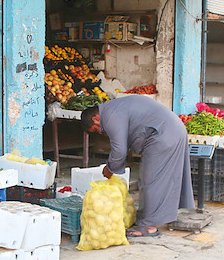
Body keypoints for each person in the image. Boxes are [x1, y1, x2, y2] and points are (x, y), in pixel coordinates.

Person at [81, 95, 194, 237]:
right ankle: (152, 218)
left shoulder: (110, 115)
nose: (100, 131)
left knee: (151, 180)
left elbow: (119, 149)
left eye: (96, 129)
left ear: (95, 118)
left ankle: (149, 226)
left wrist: (110, 168)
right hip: (173, 130)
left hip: (163, 134)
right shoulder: (114, 108)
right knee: (166, 178)